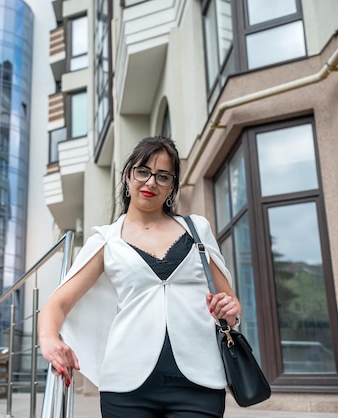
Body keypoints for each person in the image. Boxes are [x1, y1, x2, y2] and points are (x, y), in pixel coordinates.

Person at [38, 136, 242, 418]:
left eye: (162, 176)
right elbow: (57, 303)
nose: (150, 183)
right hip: (126, 386)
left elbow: (230, 301)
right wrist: (49, 340)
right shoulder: (106, 240)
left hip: (200, 383)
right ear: (128, 175)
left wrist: (231, 312)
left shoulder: (197, 230)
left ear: (172, 185)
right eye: (143, 172)